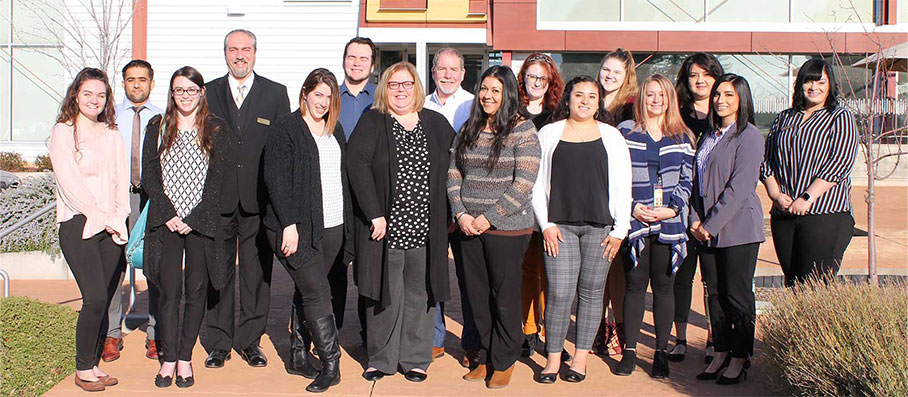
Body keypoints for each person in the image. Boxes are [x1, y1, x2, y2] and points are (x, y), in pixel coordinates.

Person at [347, 62, 455, 383]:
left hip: (426, 228)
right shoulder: (373, 122)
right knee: (385, 294)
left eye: (407, 84)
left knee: (420, 294)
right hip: (385, 229)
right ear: (384, 89)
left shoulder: (436, 124)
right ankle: (381, 358)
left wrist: (453, 212)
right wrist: (373, 212)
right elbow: (357, 165)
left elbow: (454, 168)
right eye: (393, 85)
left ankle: (416, 359)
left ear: (417, 88)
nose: (401, 91)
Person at [531, 76, 631, 384]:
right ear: (568, 99)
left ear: (598, 102)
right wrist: (545, 224)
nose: (585, 100)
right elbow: (535, 183)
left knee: (590, 294)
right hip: (559, 228)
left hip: (601, 229)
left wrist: (620, 230)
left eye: (591, 96)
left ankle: (580, 358)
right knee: (560, 294)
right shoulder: (549, 133)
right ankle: (552, 358)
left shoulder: (612, 136)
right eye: (579, 95)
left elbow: (623, 184)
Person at [448, 65, 541, 389]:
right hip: (467, 227)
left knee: (503, 296)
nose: (487, 95)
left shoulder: (522, 129)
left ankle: (504, 359)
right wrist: (460, 214)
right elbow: (454, 173)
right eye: (484, 89)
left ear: (508, 94)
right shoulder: (468, 128)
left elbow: (524, 182)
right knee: (477, 297)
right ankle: (485, 355)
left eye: (495, 90)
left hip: (506, 229)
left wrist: (491, 217)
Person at [203, 29, 291, 369]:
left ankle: (251, 342)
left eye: (246, 49)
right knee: (219, 275)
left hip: (259, 203)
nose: (239, 55)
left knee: (256, 275)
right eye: (233, 49)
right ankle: (219, 343)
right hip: (218, 203)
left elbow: (283, 152)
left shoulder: (275, 93)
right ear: (224, 52)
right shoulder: (208, 93)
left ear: (256, 52)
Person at [262, 68, 351, 392]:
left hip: (331, 225)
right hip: (294, 228)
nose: (323, 102)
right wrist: (289, 224)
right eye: (318, 95)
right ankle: (332, 364)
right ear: (305, 93)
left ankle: (299, 354)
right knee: (316, 291)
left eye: (329, 97)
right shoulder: (287, 128)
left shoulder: (334, 129)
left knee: (307, 289)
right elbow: (275, 179)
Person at [142, 66, 231, 389]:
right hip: (165, 220)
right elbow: (149, 172)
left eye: (191, 90)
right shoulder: (158, 125)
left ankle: (184, 357)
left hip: (199, 221)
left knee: (195, 291)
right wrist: (167, 213)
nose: (185, 96)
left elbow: (217, 179)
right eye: (179, 90)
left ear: (202, 92)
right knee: (168, 292)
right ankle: (167, 358)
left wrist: (192, 218)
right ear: (172, 93)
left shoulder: (215, 128)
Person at [50, 67, 129, 393]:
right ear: (75, 95)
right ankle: (83, 368)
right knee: (94, 297)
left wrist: (119, 216)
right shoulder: (63, 131)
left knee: (105, 297)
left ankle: (94, 364)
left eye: (101, 95)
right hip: (78, 223)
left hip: (111, 227)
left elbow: (120, 181)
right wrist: (99, 215)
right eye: (88, 94)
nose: (94, 100)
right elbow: (70, 184)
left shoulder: (111, 133)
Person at [615, 74, 695, 379]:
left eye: (661, 95)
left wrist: (671, 208)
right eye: (650, 94)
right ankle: (630, 351)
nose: (656, 100)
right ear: (642, 98)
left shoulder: (683, 135)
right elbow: (617, 178)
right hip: (636, 220)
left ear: (670, 99)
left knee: (664, 288)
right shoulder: (625, 133)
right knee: (635, 286)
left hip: (669, 222)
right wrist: (633, 206)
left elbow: (688, 179)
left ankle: (661, 351)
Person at [692, 73, 765, 385]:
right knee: (715, 295)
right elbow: (697, 183)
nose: (721, 100)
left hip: (738, 229)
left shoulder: (749, 137)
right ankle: (720, 351)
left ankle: (739, 357)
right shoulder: (709, 135)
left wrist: (709, 224)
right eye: (718, 94)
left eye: (729, 95)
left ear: (742, 99)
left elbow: (740, 188)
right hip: (704, 230)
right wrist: (694, 220)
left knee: (737, 296)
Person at [761, 58, 857, 287]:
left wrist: (807, 197)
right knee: (793, 283)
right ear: (800, 84)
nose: (814, 87)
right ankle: (795, 325)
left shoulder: (839, 117)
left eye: (820, 81)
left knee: (814, 286)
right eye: (808, 81)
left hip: (825, 213)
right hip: (784, 213)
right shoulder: (785, 117)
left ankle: (815, 325)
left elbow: (840, 163)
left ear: (830, 85)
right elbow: (765, 160)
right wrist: (775, 193)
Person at [422, 47, 480, 364]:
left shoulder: (474, 106)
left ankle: (471, 340)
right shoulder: (419, 105)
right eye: (441, 69)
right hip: (429, 206)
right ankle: (434, 337)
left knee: (469, 278)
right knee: (431, 274)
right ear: (433, 72)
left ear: (462, 73)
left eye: (453, 69)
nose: (447, 74)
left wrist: (460, 209)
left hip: (466, 208)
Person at [105, 59, 164, 362]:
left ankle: (155, 334)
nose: (137, 85)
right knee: (114, 267)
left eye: (142, 79)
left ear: (152, 83)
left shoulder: (164, 118)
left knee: (155, 267)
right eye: (131, 80)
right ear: (124, 83)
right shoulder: (110, 117)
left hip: (152, 200)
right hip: (118, 198)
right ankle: (112, 333)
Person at [670, 53, 724, 364]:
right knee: (682, 275)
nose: (700, 80)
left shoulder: (727, 113)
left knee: (714, 280)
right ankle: (679, 337)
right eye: (693, 75)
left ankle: (714, 338)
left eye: (706, 74)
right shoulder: (678, 115)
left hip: (716, 212)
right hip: (682, 209)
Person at [515, 52, 565, 358]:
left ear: (551, 82)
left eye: (542, 78)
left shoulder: (559, 115)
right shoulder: (513, 112)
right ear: (523, 79)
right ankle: (528, 330)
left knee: (552, 272)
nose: (536, 83)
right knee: (527, 270)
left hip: (550, 202)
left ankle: (551, 332)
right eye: (531, 76)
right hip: (518, 203)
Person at [592, 48, 639, 357]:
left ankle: (619, 326)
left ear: (627, 77)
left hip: (621, 196)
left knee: (618, 271)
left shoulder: (632, 108)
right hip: (593, 195)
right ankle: (597, 328)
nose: (608, 75)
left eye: (616, 72)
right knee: (596, 272)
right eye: (606, 69)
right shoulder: (589, 102)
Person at [335, 37, 377, 344]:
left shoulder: (382, 98)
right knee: (334, 267)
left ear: (373, 65)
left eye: (363, 58)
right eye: (352, 57)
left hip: (368, 197)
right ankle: (330, 333)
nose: (357, 62)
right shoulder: (328, 97)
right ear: (344, 60)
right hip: (333, 194)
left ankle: (369, 333)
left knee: (367, 269)